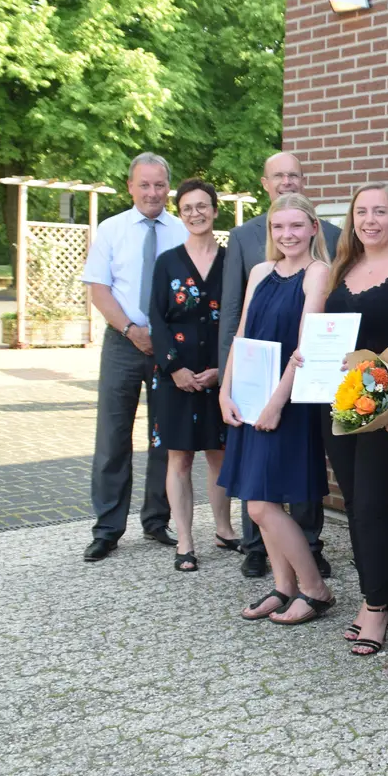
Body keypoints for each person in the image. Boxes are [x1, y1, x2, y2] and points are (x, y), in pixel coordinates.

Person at [217, 192, 336, 625]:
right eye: (278, 227)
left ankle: (316, 590)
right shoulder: (261, 271)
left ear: (312, 229)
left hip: (285, 401)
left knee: (260, 506)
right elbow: (242, 335)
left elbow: (305, 348)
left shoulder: (318, 272)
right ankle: (284, 588)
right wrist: (225, 390)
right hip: (250, 397)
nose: (287, 234)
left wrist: (275, 404)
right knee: (259, 500)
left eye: (295, 226)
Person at [316, 184, 388, 656]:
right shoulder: (342, 267)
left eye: (380, 211)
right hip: (337, 403)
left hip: (384, 406)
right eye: (361, 212)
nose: (370, 220)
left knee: (375, 503)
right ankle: (371, 595)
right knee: (355, 502)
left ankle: (378, 608)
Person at [80, 152, 185, 561]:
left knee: (164, 437)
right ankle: (107, 528)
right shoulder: (111, 229)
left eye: (159, 185)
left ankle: (156, 520)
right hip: (123, 343)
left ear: (168, 188)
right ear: (130, 187)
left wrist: (164, 340)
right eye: (145, 185)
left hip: (168, 348)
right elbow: (99, 289)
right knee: (112, 436)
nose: (152, 192)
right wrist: (131, 330)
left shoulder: (180, 231)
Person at [147, 178, 235, 571]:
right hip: (175, 377)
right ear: (180, 214)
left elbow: (239, 319)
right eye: (187, 208)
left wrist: (224, 369)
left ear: (215, 210)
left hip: (220, 374)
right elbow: (157, 318)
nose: (196, 213)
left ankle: (224, 529)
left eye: (203, 206)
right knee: (178, 459)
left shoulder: (234, 261)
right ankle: (185, 541)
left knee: (219, 454)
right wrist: (175, 368)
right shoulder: (167, 262)